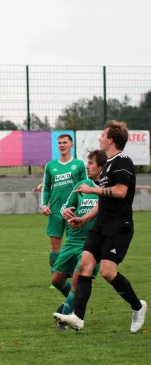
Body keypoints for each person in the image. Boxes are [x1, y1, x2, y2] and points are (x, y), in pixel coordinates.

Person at [54, 121, 147, 333]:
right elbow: (103, 202)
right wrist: (85, 219)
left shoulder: (123, 162)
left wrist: (91, 190)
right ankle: (77, 317)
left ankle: (138, 306)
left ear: (111, 139)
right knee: (84, 265)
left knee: (107, 272)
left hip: (118, 227)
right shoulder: (108, 166)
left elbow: (120, 192)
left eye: (103, 135)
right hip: (100, 226)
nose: (100, 138)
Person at [51, 149, 106, 330]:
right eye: (87, 163)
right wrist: (65, 212)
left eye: (91, 163)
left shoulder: (106, 189)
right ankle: (76, 300)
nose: (87, 166)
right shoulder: (82, 185)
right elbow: (66, 206)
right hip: (72, 240)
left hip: (91, 243)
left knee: (77, 277)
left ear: (101, 167)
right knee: (56, 280)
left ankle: (66, 317)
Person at [40, 134, 86, 287]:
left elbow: (84, 187)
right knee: (55, 247)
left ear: (71, 144)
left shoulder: (79, 165)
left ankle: (78, 277)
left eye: (65, 142)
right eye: (59, 143)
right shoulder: (50, 166)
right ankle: (56, 279)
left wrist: (84, 208)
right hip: (55, 212)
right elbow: (46, 187)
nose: (62, 145)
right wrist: (43, 205)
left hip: (74, 213)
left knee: (75, 246)